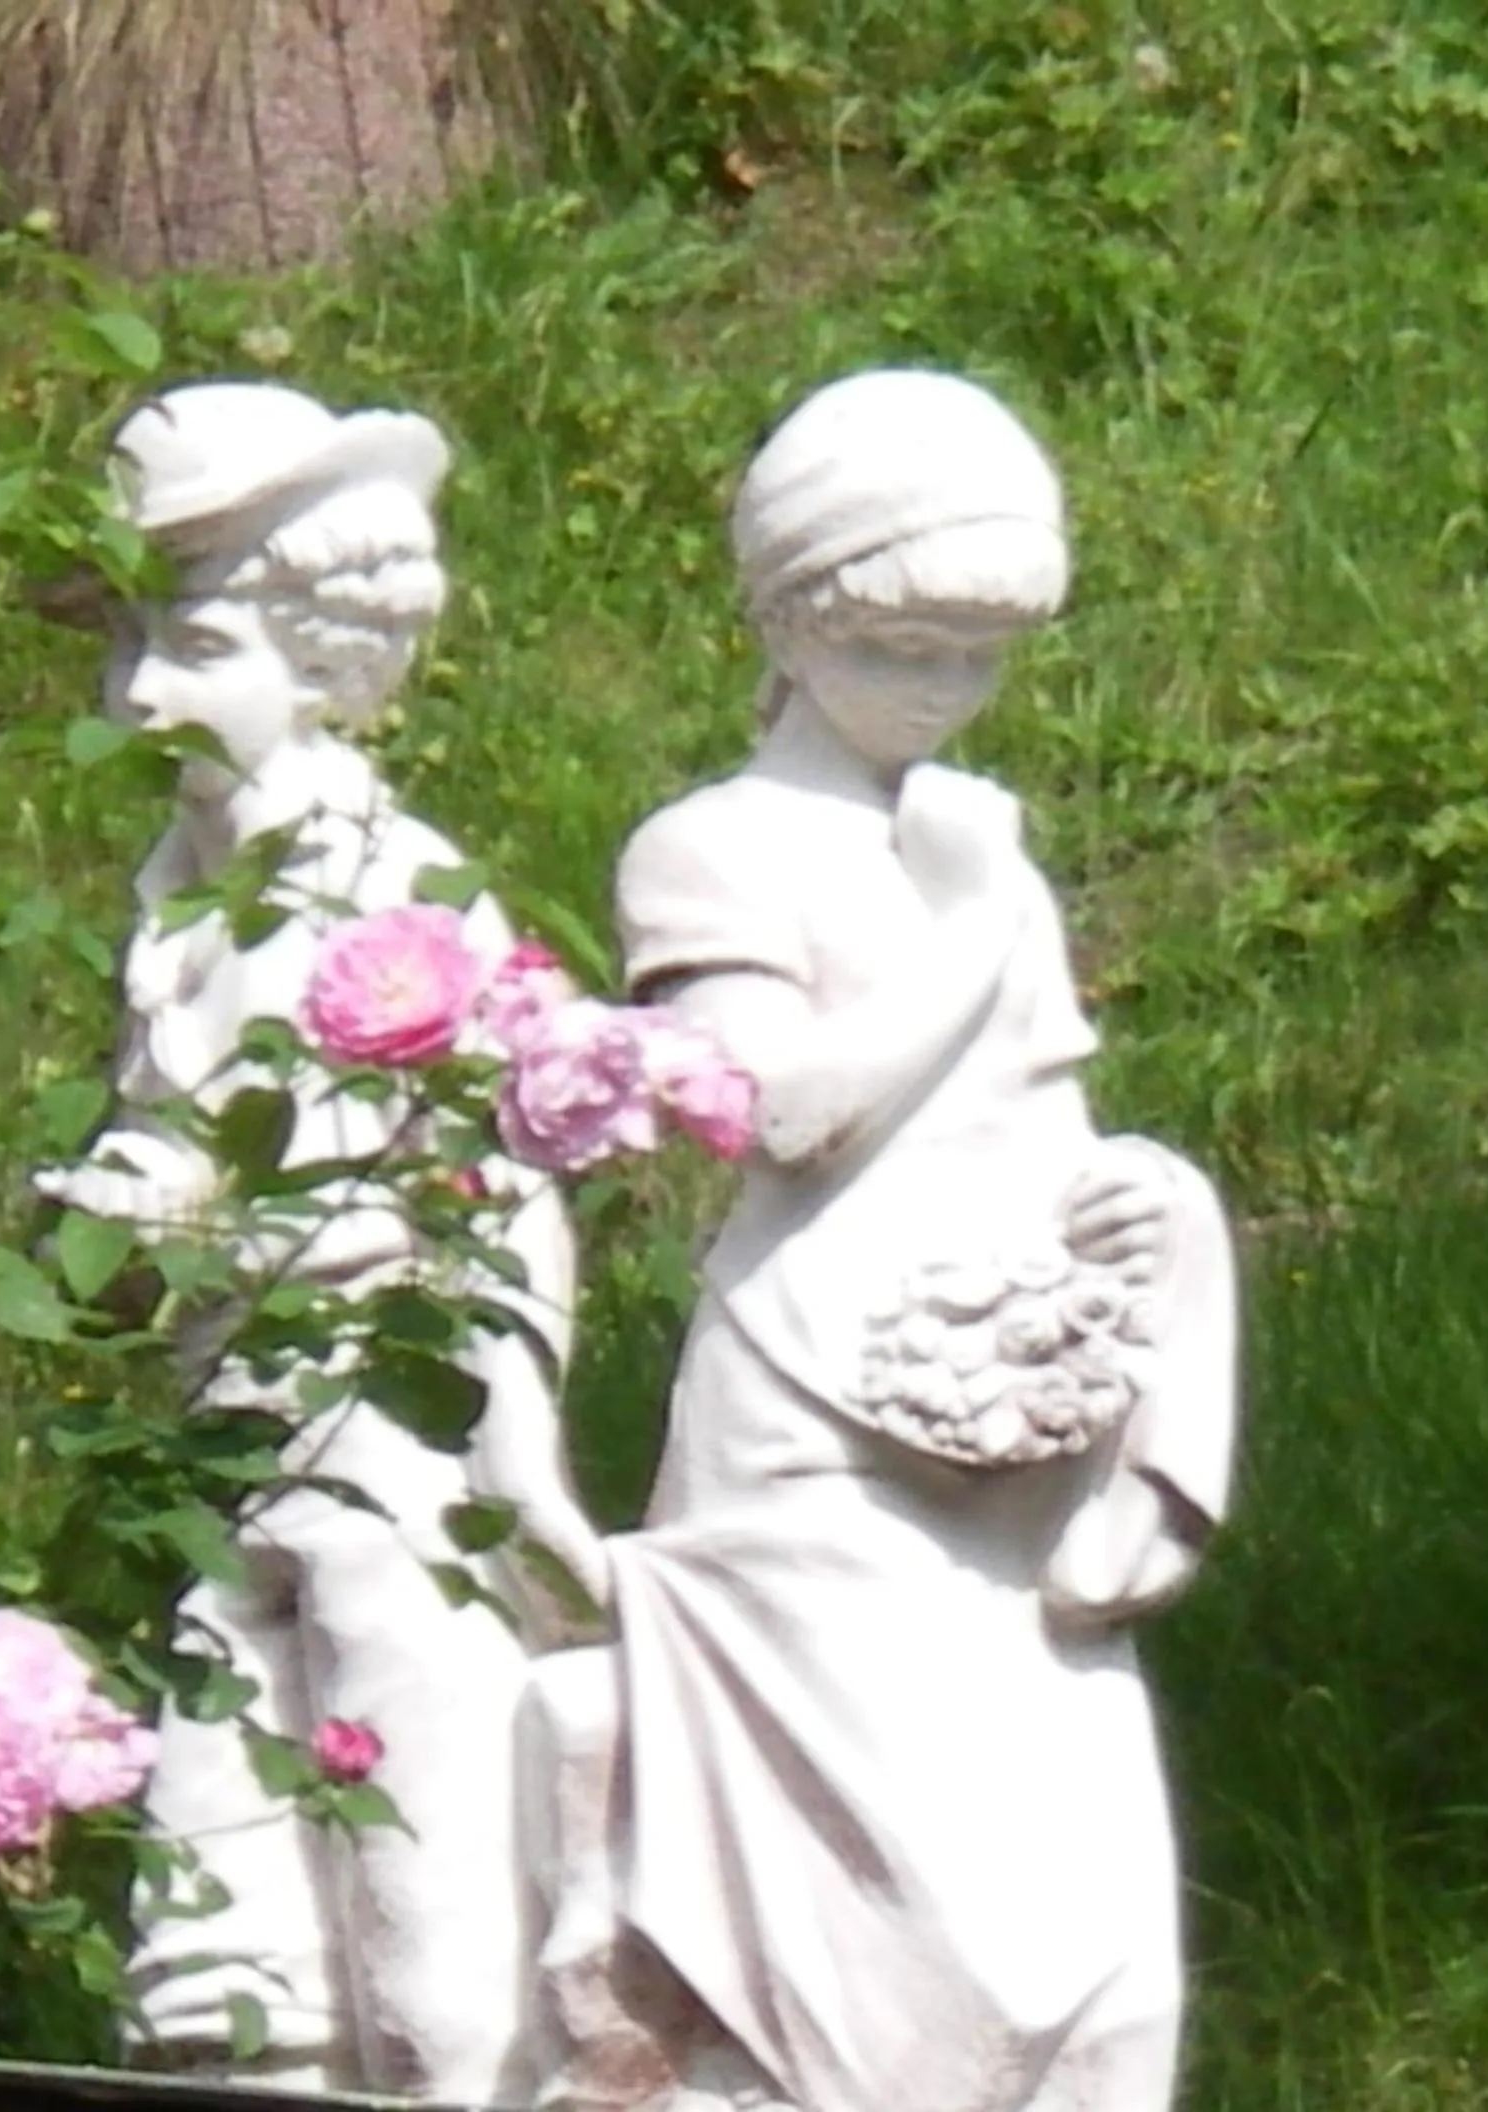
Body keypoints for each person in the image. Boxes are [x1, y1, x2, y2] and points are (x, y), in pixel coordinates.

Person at [521, 369, 1239, 2112]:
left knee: (1099, 1958)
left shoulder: (980, 853)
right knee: (888, 1945)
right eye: (907, 650)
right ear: (787, 616)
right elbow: (778, 1115)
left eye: (978, 658)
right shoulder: (713, 849)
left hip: (1018, 1419)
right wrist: (972, 922)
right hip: (815, 1436)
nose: (948, 692)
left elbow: (1036, 1125)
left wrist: (1149, 1214)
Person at [37, 381, 594, 2101]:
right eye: (127, 640)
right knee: (223, 1927)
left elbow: (501, 1187)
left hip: (380, 1428)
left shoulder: (399, 899)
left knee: (425, 1882)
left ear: (327, 654)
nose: (140, 691)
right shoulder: (173, 903)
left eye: (193, 643)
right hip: (222, 1426)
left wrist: (523, 1465)